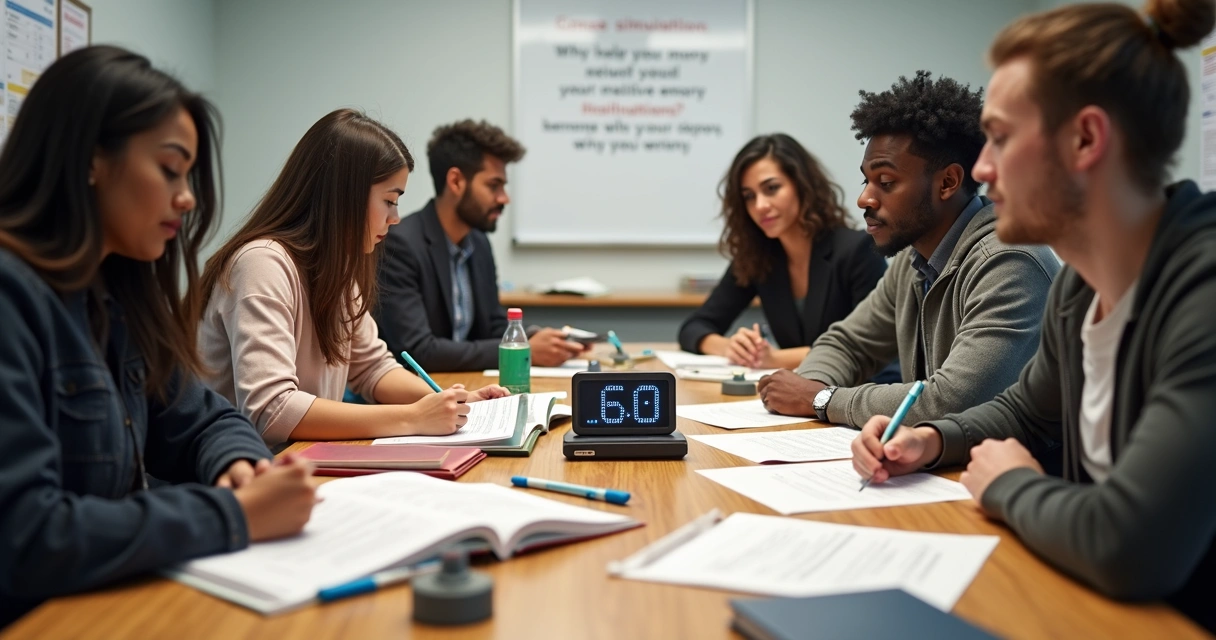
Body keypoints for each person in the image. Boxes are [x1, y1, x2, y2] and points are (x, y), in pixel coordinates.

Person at [851, 0, 1216, 630]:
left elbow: (1131, 546)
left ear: (1085, 139)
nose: (983, 170)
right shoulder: (1081, 286)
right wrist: (931, 440)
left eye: (1001, 136)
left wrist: (1009, 482)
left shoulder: (1203, 291)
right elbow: (1025, 408)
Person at [0, 46, 316, 627]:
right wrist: (232, 514)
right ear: (90, 159)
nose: (188, 198)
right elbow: (25, 536)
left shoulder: (116, 294)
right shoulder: (13, 296)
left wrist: (238, 464)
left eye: (189, 176)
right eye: (170, 169)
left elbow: (202, 418)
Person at [758, 71, 1060, 428]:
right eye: (866, 180)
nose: (864, 198)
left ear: (947, 182)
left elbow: (951, 402)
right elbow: (848, 343)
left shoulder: (1010, 263)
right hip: (942, 464)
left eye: (886, 182)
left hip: (1017, 473)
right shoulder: (913, 259)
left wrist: (820, 400)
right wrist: (811, 387)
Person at [198, 110, 507, 447]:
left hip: (300, 460)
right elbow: (271, 410)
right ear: (344, 196)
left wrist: (452, 402)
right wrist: (413, 417)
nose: (396, 218)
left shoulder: (339, 268)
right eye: (389, 201)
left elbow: (372, 368)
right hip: (239, 478)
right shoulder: (262, 264)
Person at [375, 119, 587, 372]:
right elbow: (418, 350)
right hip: (414, 398)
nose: (504, 198)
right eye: (493, 185)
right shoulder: (401, 243)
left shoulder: (478, 242)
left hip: (466, 388)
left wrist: (536, 339)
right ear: (456, 181)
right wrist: (523, 350)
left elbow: (492, 327)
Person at [677, 134, 889, 371]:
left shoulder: (857, 250)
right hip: (794, 394)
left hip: (857, 393)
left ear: (802, 185)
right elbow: (694, 327)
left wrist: (776, 359)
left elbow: (869, 346)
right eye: (749, 196)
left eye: (772, 188)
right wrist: (730, 348)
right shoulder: (759, 256)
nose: (760, 206)